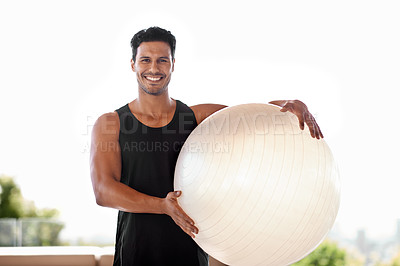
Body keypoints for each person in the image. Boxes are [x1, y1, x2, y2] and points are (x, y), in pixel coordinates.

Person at [90, 26, 323, 266]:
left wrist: (289, 103)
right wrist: (162, 206)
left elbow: (253, 115)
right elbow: (104, 190)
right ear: (133, 65)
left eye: (162, 60)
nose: (153, 68)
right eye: (145, 60)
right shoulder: (111, 123)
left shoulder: (196, 118)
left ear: (172, 64)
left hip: (190, 254)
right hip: (135, 252)